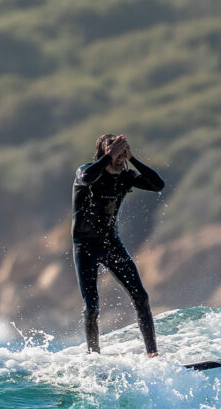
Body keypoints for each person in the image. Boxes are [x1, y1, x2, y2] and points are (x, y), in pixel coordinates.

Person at [71, 133, 165, 356]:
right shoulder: (87, 172)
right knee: (92, 306)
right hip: (85, 246)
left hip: (111, 243)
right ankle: (94, 356)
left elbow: (158, 184)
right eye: (116, 152)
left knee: (141, 297)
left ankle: (153, 354)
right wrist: (108, 156)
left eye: (123, 152)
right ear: (103, 153)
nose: (119, 157)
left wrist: (132, 158)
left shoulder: (125, 177)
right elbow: (86, 177)